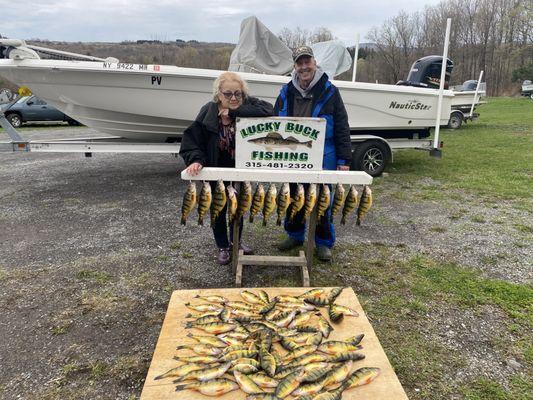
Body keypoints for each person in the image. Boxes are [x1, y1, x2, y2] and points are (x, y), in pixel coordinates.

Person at [179, 71, 273, 265]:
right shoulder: (208, 111)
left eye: (237, 94)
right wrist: (195, 160)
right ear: (218, 94)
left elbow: (269, 110)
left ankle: (236, 242)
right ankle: (222, 245)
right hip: (216, 172)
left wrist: (234, 112)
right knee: (219, 210)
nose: (233, 98)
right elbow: (192, 140)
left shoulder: (247, 106)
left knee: (239, 208)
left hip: (240, 172)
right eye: (227, 94)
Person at [274, 46, 352, 262]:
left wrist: (344, 159)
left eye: (307, 61)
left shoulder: (330, 91)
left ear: (314, 63)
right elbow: (273, 123)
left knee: (323, 201)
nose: (304, 66)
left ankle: (323, 242)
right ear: (295, 66)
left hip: (323, 155)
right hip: (292, 155)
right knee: (293, 198)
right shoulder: (285, 91)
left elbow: (343, 127)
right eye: (300, 63)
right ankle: (295, 235)